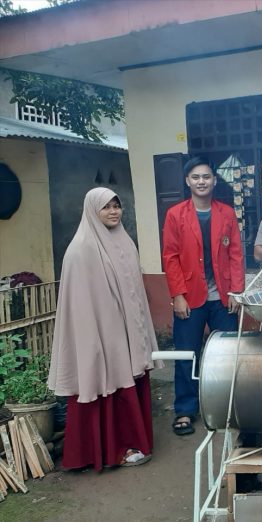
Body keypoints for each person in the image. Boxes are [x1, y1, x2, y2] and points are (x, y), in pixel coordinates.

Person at [48, 187, 162, 470]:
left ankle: (133, 443)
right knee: (108, 385)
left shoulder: (124, 241)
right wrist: (97, 343)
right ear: (92, 211)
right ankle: (110, 451)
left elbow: (135, 294)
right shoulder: (80, 250)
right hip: (100, 337)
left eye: (116, 205)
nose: (113, 212)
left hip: (127, 334)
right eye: (106, 207)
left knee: (130, 385)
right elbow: (81, 307)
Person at [162, 157, 244, 436]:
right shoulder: (175, 214)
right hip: (191, 297)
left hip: (222, 297)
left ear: (214, 180)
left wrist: (236, 290)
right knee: (188, 354)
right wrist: (178, 295)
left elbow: (235, 254)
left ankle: (228, 405)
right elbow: (170, 257)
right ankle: (185, 409)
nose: (201, 181)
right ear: (188, 181)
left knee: (228, 354)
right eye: (196, 177)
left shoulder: (227, 213)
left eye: (206, 177)